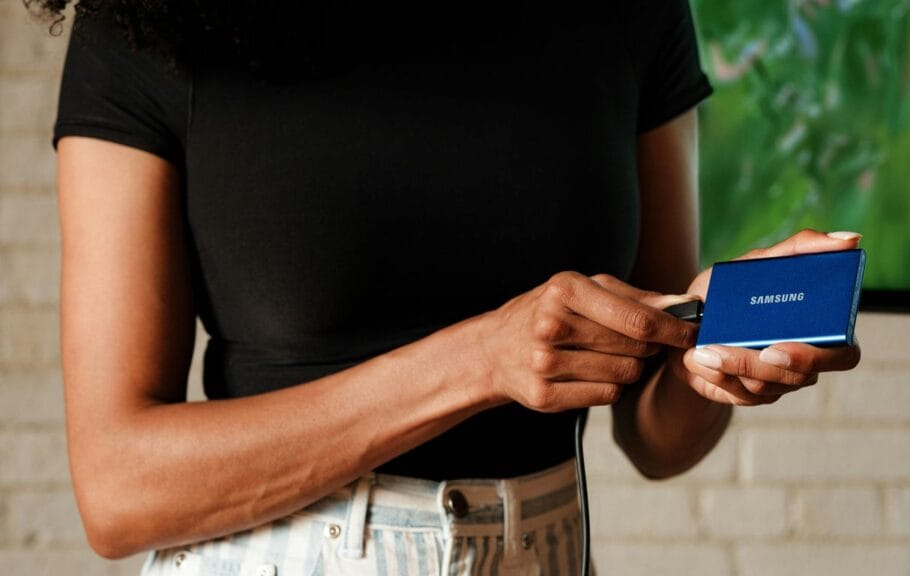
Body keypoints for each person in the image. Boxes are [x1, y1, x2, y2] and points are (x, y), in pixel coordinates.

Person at [40, 0, 862, 574]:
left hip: (544, 553)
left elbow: (655, 438)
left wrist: (711, 348)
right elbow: (117, 489)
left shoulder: (631, 10)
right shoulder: (148, 21)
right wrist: (480, 361)